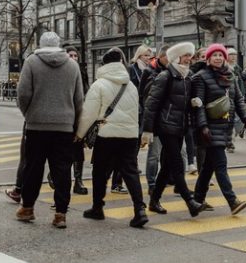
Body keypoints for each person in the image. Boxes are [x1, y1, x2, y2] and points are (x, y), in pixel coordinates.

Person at [15, 31, 83, 229]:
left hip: (36, 125)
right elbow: (79, 99)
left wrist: (29, 114)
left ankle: (27, 208)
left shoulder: (31, 62)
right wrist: (75, 123)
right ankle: (60, 214)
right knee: (62, 170)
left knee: (33, 168)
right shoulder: (72, 66)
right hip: (64, 127)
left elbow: (23, 94)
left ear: (41, 44)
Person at [78, 47, 147, 228]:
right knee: (130, 172)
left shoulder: (99, 84)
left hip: (107, 135)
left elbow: (89, 113)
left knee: (100, 172)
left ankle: (97, 208)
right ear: (121, 63)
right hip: (129, 136)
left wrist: (79, 134)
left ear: (104, 65)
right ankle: (140, 210)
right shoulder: (130, 85)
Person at [142, 42, 206, 217]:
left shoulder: (188, 76)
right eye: (185, 56)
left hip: (181, 127)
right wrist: (147, 130)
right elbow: (151, 104)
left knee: (168, 165)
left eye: (190, 56)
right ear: (176, 57)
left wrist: (193, 103)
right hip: (166, 126)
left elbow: (185, 102)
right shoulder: (165, 76)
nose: (188, 59)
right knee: (177, 164)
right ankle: (190, 202)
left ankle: (154, 201)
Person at [191, 43, 246, 215]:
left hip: (225, 126)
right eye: (214, 55)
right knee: (220, 164)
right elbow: (198, 105)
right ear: (208, 58)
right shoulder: (201, 77)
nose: (218, 58)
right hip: (209, 127)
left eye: (220, 55)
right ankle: (232, 201)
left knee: (208, 167)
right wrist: (203, 126)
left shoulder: (230, 76)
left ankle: (197, 201)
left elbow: (238, 100)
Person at [139, 44, 170, 195]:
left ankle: (166, 180)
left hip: (170, 118)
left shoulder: (174, 71)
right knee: (154, 154)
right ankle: (152, 183)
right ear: (161, 57)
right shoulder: (149, 71)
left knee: (171, 153)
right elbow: (142, 95)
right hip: (156, 118)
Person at [64, 45, 89, 195]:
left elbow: (86, 92)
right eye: (70, 55)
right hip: (65, 116)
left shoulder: (82, 72)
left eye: (75, 56)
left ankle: (78, 181)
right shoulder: (61, 71)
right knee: (64, 150)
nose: (73, 58)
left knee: (78, 150)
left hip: (79, 115)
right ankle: (58, 177)